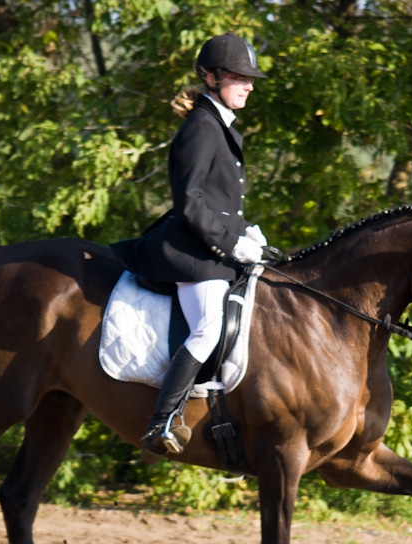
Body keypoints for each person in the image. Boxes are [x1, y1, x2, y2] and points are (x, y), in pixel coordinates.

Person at [111, 32, 268, 459]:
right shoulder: (201, 127)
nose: (249, 85)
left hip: (214, 246)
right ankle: (162, 420)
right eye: (239, 77)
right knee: (208, 328)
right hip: (192, 253)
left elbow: (220, 201)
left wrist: (245, 231)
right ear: (211, 77)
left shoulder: (219, 125)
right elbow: (190, 201)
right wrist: (231, 243)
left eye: (250, 78)